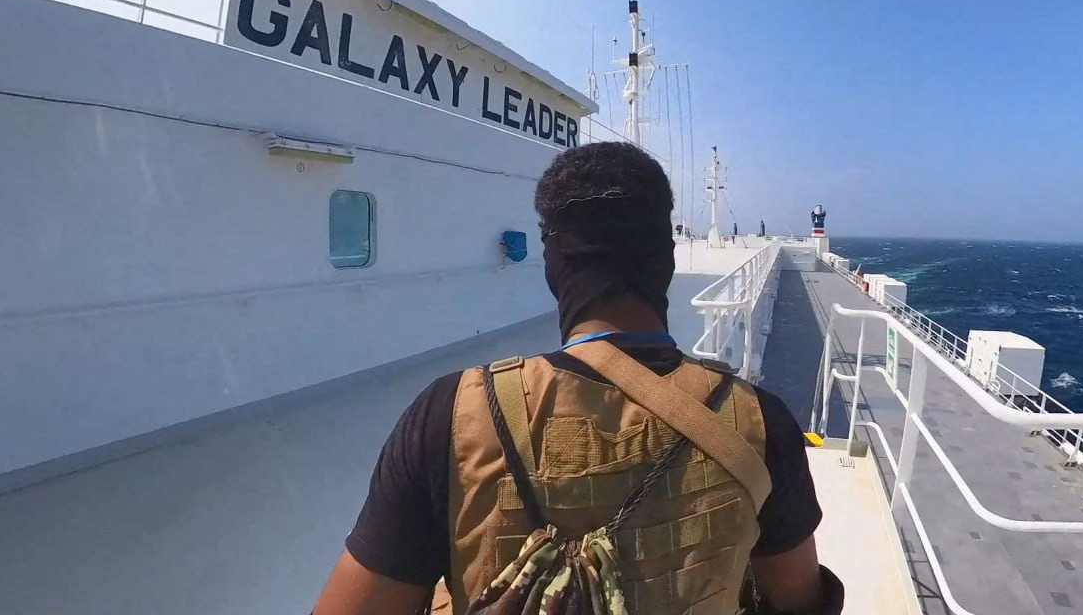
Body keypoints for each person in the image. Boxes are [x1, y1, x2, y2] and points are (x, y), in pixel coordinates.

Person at [314, 142, 842, 615]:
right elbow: (798, 598)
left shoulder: (450, 414)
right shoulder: (758, 420)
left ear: (555, 266)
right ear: (665, 259)